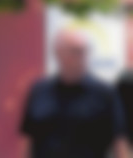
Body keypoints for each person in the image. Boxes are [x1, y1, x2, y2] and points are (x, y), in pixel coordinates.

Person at [21, 28, 127, 158]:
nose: (82, 57)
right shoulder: (39, 91)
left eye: (85, 51)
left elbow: (119, 140)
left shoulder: (104, 93)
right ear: (58, 53)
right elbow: (28, 138)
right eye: (76, 51)